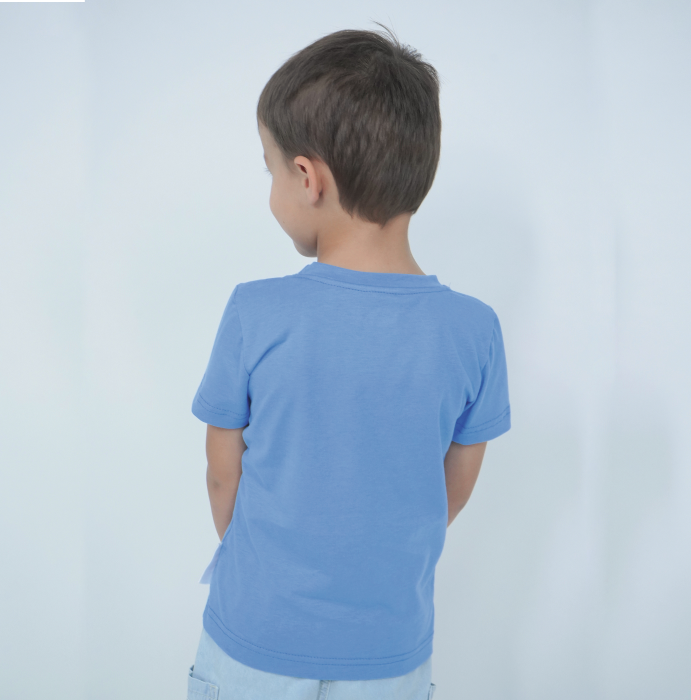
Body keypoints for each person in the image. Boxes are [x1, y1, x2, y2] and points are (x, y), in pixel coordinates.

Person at [188, 26, 511, 700]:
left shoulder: (255, 311)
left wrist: (270, 566)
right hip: (389, 648)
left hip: (256, 633)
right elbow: (450, 489)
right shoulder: (474, 330)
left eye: (271, 169)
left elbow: (223, 476)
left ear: (307, 178)